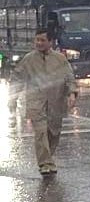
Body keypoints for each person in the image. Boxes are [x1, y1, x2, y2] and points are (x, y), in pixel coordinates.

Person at [11, 28, 77, 176]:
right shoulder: (29, 59)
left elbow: (69, 77)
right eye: (37, 40)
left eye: (42, 40)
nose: (39, 43)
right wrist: (13, 98)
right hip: (36, 102)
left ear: (50, 42)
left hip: (56, 101)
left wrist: (72, 93)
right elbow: (17, 78)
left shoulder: (60, 59)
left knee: (53, 133)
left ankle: (48, 158)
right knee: (40, 133)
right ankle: (45, 163)